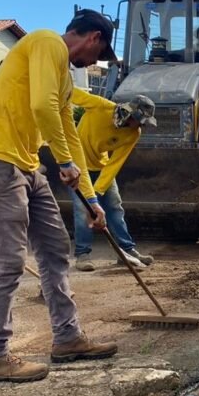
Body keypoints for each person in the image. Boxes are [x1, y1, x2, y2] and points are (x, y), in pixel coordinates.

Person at [0, 10, 119, 385]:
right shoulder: (47, 42)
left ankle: (67, 338)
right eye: (98, 55)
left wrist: (91, 198)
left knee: (53, 250)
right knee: (9, 261)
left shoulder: (62, 74)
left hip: (27, 166)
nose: (93, 63)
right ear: (94, 38)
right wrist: (63, 162)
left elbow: (67, 132)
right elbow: (41, 108)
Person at [71, 88, 157, 271]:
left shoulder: (134, 134)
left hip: (101, 167)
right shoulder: (101, 107)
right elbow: (70, 92)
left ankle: (126, 250)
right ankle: (82, 254)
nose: (139, 125)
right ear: (129, 113)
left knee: (114, 207)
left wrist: (98, 191)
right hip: (77, 166)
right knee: (82, 211)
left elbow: (115, 163)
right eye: (138, 120)